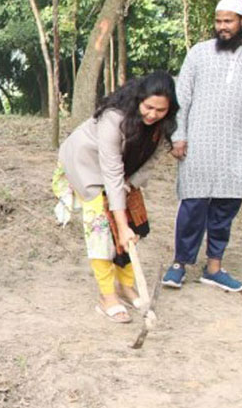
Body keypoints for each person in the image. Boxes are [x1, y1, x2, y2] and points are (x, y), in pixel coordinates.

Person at [163, 0, 242, 292]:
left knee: (226, 207)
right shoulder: (198, 54)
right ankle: (179, 263)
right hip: (198, 144)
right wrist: (178, 135)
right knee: (193, 204)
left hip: (236, 145)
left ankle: (214, 267)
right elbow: (182, 98)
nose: (222, 27)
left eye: (228, 21)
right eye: (218, 21)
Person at [53, 72, 179, 323]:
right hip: (86, 166)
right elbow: (111, 173)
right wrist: (119, 225)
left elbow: (152, 160)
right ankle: (107, 295)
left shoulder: (163, 125)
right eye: (148, 107)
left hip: (123, 173)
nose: (153, 115)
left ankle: (126, 285)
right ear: (138, 100)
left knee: (133, 226)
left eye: (160, 110)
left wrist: (129, 188)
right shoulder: (114, 118)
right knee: (102, 228)